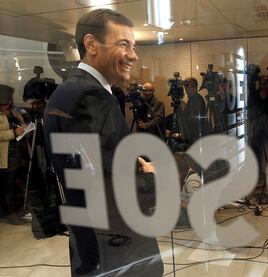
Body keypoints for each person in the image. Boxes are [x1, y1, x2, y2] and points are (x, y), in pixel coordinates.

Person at [43, 9, 163, 276]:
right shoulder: (92, 97)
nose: (133, 55)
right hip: (116, 247)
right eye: (123, 44)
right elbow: (112, 188)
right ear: (90, 45)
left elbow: (92, 166)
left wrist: (133, 162)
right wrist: (155, 177)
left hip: (93, 241)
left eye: (133, 46)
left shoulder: (70, 90)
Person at [0, 84, 28, 224]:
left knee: (17, 183)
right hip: (5, 156)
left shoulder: (13, 112)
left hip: (18, 153)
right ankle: (10, 214)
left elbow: (21, 122)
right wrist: (12, 133)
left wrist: (24, 128)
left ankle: (17, 210)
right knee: (7, 187)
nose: (8, 104)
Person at [181, 77, 208, 143]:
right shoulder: (194, 98)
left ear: (194, 87)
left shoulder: (196, 99)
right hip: (195, 136)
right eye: (185, 86)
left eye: (187, 86)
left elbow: (194, 120)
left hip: (195, 137)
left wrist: (184, 109)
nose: (185, 89)